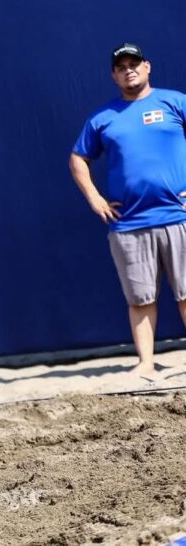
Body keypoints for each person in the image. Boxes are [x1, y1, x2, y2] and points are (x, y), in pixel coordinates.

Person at [70, 43, 186, 380]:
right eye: (121, 66)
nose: (129, 70)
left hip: (178, 217)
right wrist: (94, 197)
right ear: (113, 75)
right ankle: (146, 363)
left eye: (134, 63)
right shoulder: (103, 118)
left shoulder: (174, 102)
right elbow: (78, 158)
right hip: (130, 223)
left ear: (147, 67)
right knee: (140, 297)